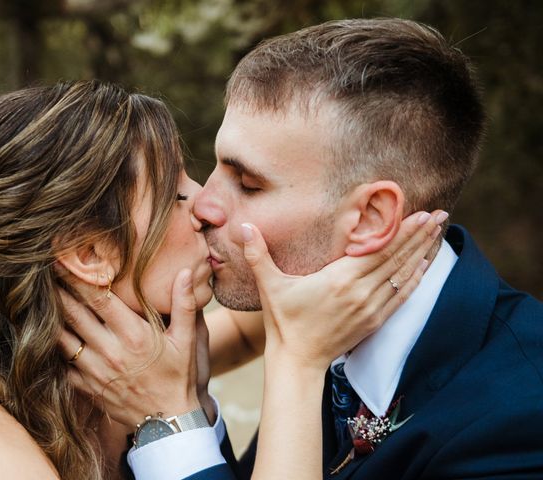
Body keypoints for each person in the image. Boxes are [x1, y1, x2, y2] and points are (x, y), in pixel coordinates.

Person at [62, 18, 543, 480]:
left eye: (248, 184)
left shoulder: (520, 417)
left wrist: (169, 423)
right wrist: (197, 405)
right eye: (216, 166)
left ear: (371, 217)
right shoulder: (314, 309)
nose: (202, 205)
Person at [0, 79, 437, 480]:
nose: (205, 203)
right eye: (174, 195)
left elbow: (255, 327)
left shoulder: (129, 368)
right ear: (90, 254)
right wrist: (291, 367)